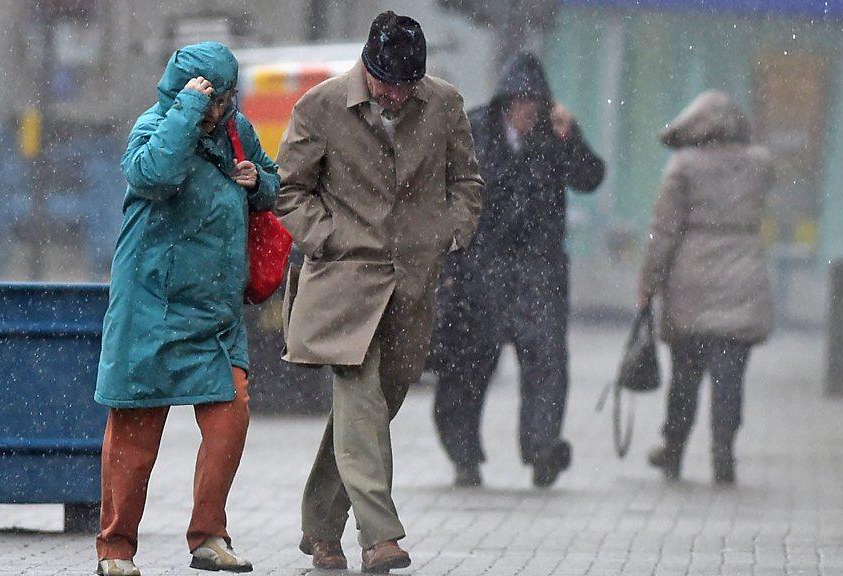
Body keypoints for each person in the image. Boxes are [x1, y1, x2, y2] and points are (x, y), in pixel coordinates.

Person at [273, 11, 483, 573]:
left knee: (370, 412)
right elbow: (288, 190)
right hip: (344, 282)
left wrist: (452, 231)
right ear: (367, 67)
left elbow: (466, 180)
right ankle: (379, 535)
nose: (395, 96)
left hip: (414, 283)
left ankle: (319, 528)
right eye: (386, 83)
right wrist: (328, 236)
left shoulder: (444, 104)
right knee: (360, 398)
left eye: (406, 84)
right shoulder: (318, 107)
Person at [92, 42, 279, 576]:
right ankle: (116, 549)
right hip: (150, 310)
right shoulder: (155, 126)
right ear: (188, 94)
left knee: (230, 420)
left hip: (215, 316)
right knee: (133, 439)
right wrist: (187, 112)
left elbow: (273, 180)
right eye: (214, 101)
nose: (223, 111)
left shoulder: (237, 131)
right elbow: (152, 175)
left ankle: (209, 537)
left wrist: (259, 182)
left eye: (225, 100)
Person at [431, 53, 605, 489]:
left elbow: (590, 177)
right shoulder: (473, 131)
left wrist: (571, 137)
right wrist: (447, 262)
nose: (529, 113)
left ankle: (543, 449)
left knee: (546, 363)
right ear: (506, 102)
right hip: (479, 268)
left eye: (536, 104)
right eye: (521, 103)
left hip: (538, 271)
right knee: (467, 369)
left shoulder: (555, 134)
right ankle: (464, 455)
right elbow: (441, 195)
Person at [638, 90, 775, 485]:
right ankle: (723, 453)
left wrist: (648, 283)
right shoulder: (759, 165)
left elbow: (663, 231)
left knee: (685, 375)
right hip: (742, 275)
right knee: (730, 378)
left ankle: (674, 450)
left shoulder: (683, 167)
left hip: (691, 279)